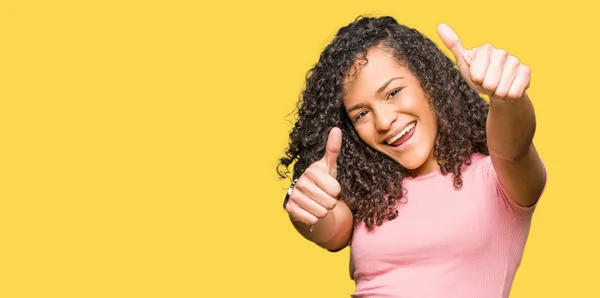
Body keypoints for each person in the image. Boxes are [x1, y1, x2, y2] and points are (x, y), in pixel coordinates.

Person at [277, 15, 547, 298]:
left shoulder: (496, 179)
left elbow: (513, 148)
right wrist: (304, 199)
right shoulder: (371, 196)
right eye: (362, 114)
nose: (383, 121)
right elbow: (328, 228)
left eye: (393, 92)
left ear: (428, 81)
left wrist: (506, 98)